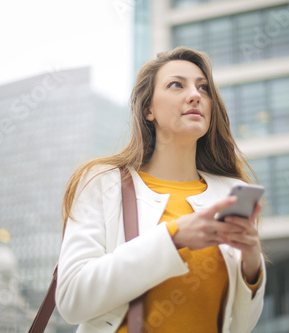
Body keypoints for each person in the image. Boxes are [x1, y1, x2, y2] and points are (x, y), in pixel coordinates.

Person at [55, 46, 265, 333]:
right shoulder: (103, 182)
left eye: (203, 88)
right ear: (148, 109)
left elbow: (241, 325)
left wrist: (252, 264)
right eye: (176, 85)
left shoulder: (231, 191)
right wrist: (173, 239)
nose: (195, 95)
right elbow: (72, 300)